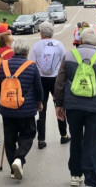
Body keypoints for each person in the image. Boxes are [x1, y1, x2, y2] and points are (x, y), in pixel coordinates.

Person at [54, 28, 96, 187]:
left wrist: (59, 104)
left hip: (73, 106)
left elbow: (60, 82)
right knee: (94, 143)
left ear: (81, 41)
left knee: (76, 139)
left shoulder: (69, 55)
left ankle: (75, 175)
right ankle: (91, 179)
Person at [0, 40, 44, 181]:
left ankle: (12, 168)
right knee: (28, 134)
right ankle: (19, 158)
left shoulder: (3, 65)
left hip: (7, 109)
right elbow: (38, 88)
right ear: (27, 52)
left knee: (9, 138)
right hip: (26, 109)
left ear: (14, 51)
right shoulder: (32, 66)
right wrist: (39, 102)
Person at [28, 22, 70, 150]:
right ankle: (63, 135)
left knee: (41, 108)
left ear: (41, 33)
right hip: (56, 79)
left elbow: (32, 64)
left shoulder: (36, 46)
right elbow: (64, 63)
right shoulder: (59, 45)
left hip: (40, 79)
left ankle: (41, 139)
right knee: (60, 106)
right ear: (52, 33)